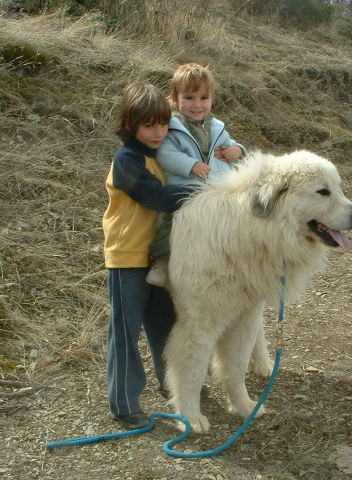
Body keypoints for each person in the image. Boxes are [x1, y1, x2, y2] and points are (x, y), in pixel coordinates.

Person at [102, 82, 193, 430]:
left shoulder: (155, 156)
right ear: (130, 125)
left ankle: (169, 383)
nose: (158, 132)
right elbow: (156, 197)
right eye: (149, 125)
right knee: (125, 331)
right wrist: (207, 194)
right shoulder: (127, 159)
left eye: (163, 124)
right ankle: (124, 404)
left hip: (157, 258)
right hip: (127, 257)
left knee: (164, 325)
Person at [146, 63, 247, 287]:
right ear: (175, 97)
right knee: (174, 224)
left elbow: (229, 145)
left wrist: (237, 150)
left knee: (225, 226)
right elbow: (165, 153)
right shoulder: (172, 127)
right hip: (186, 190)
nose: (197, 105)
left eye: (204, 97)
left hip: (217, 190)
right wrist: (190, 164)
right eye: (189, 97)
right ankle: (163, 261)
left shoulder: (216, 127)